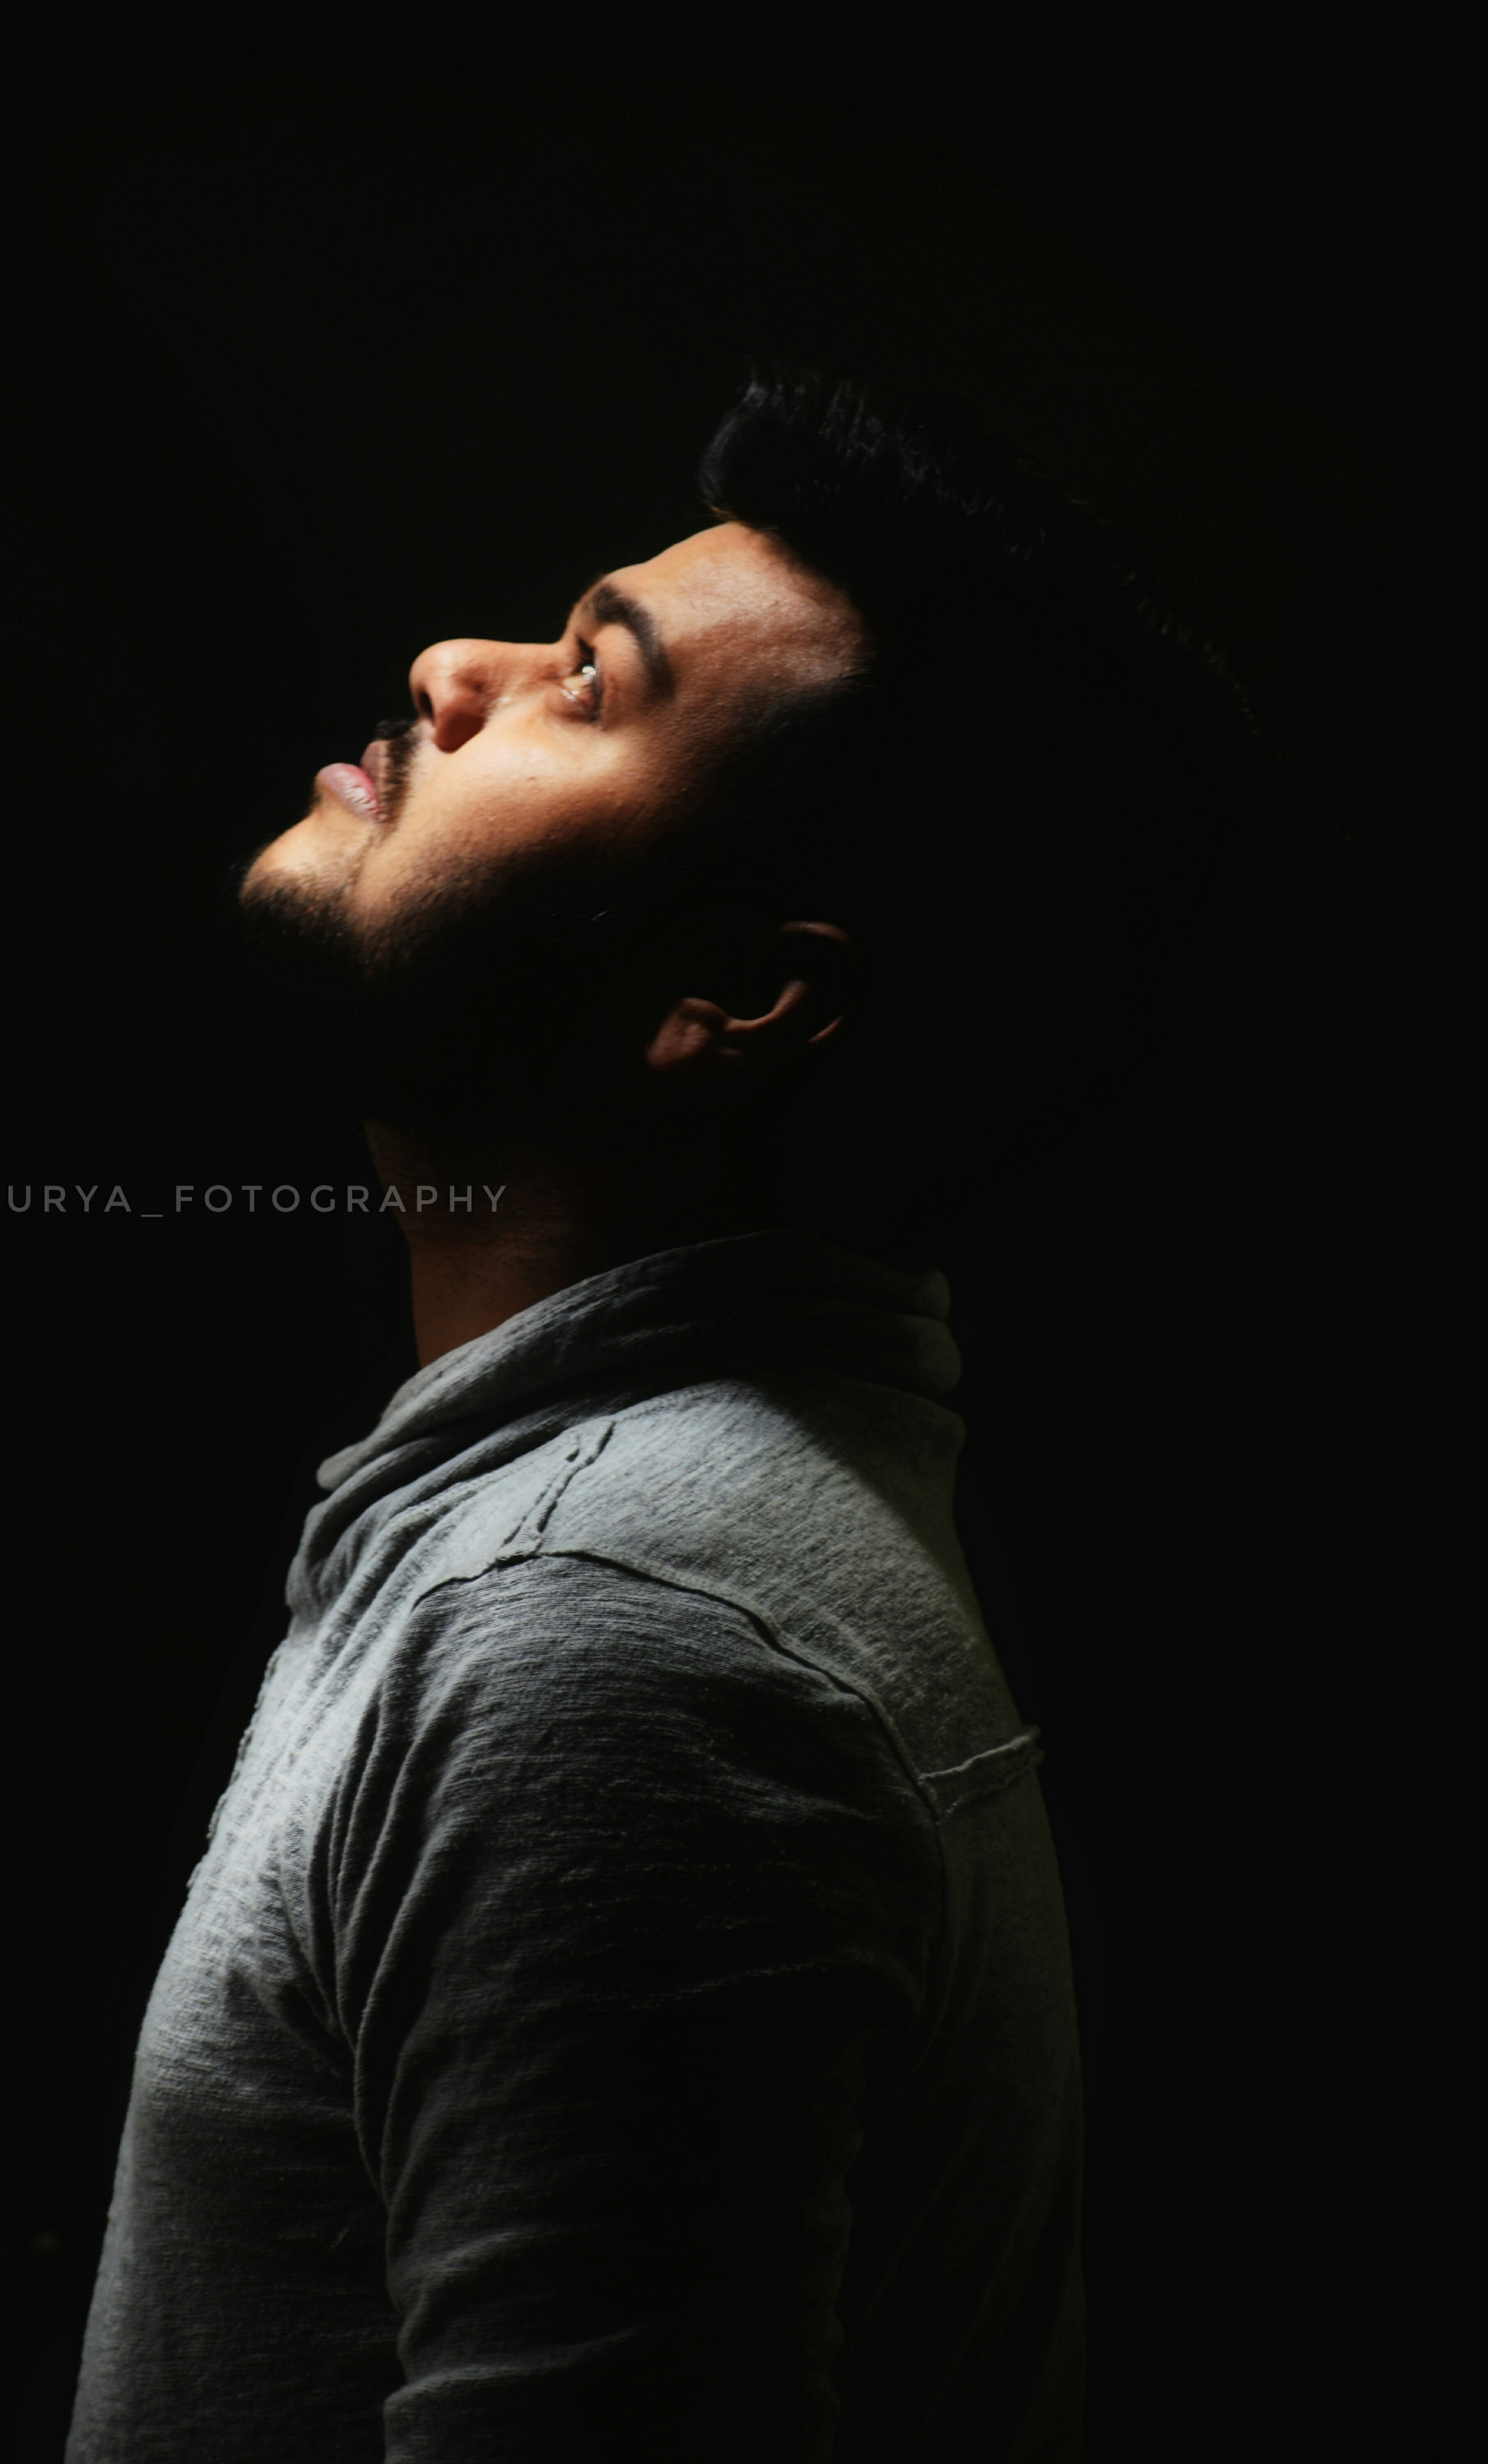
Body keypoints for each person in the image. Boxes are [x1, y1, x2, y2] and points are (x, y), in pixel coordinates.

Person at [67, 368, 1247, 2460]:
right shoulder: (616, 1542)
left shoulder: (609, 1639)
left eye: (587, 686)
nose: (450, 671)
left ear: (741, 1001)